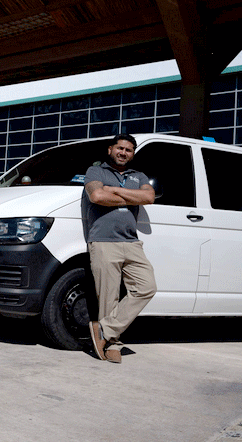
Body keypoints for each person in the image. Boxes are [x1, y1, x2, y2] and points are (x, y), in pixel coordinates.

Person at [84, 133, 157, 364]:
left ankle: (103, 330)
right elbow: (96, 195)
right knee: (108, 297)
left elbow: (149, 197)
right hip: (104, 241)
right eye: (120, 148)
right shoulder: (96, 172)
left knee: (147, 287)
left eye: (128, 150)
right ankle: (112, 343)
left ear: (133, 153)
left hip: (131, 242)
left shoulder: (139, 175)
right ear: (110, 150)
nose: (123, 152)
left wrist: (114, 191)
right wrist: (133, 198)